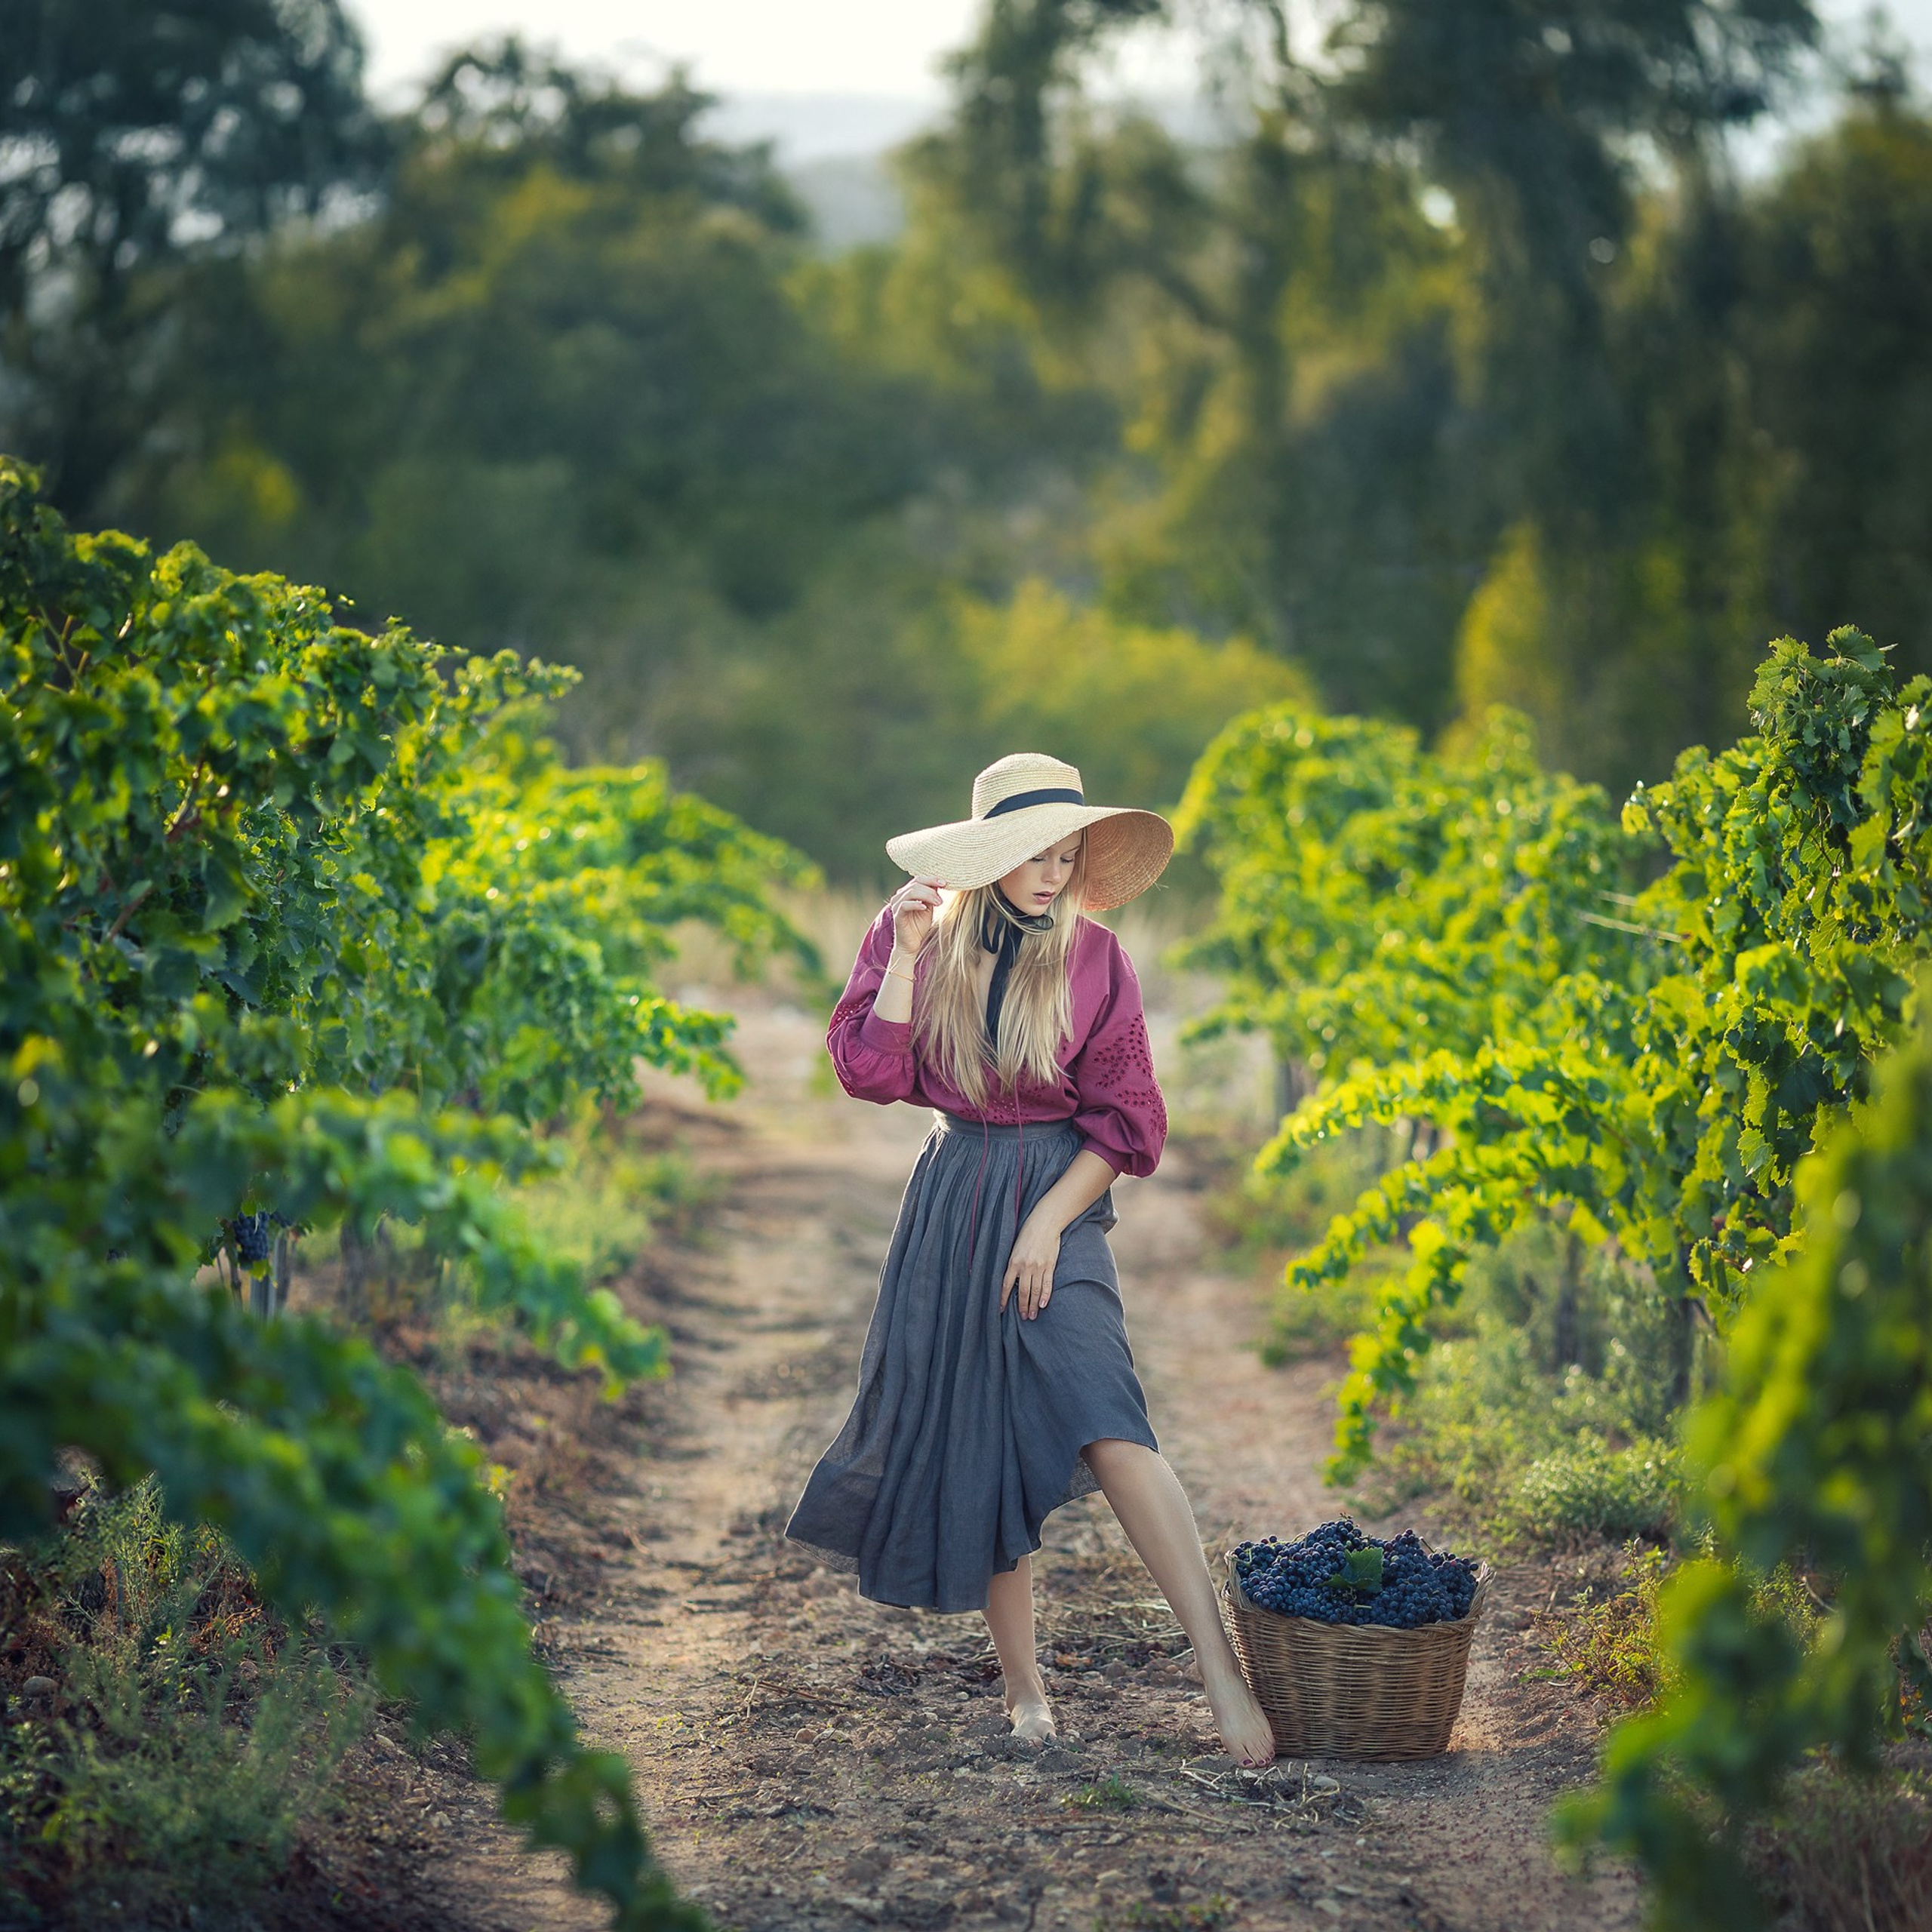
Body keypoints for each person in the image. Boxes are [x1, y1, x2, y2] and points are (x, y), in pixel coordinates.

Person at [786, 752, 1276, 1764]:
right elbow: (869, 1075)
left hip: (1058, 1194)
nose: (1057, 874)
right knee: (984, 1437)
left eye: (1068, 854)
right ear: (990, 856)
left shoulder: (1098, 959)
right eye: (1037, 856)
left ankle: (1223, 1675)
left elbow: (1128, 1118)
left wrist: (1050, 1224)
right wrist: (906, 953)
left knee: (1108, 1418)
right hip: (955, 1199)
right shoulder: (914, 935)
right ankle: (1026, 1694)